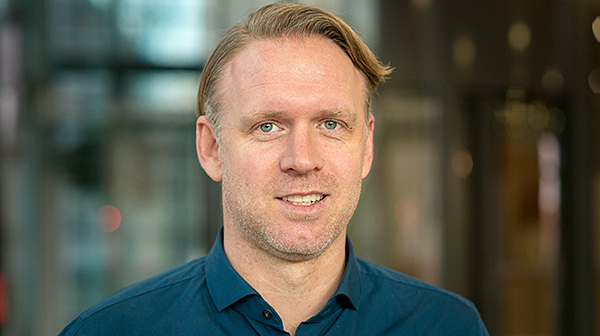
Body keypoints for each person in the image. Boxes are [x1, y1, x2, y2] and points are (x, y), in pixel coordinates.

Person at [59, 3, 489, 335]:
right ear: (211, 148)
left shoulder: (447, 326)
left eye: (331, 124)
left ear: (367, 145)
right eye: (268, 126)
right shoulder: (111, 330)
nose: (302, 159)